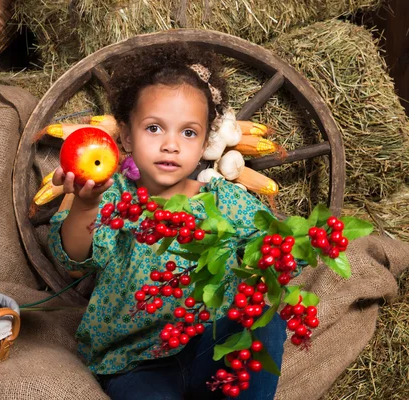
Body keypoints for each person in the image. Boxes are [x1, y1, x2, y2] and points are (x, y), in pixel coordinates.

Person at [48, 43, 286, 400]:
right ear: (126, 136)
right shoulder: (114, 197)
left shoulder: (226, 201)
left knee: (268, 326)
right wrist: (85, 205)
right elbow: (75, 259)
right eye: (155, 128)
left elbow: (275, 252)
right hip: (136, 362)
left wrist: (283, 252)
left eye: (188, 133)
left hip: (211, 349)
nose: (171, 145)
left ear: (205, 141)